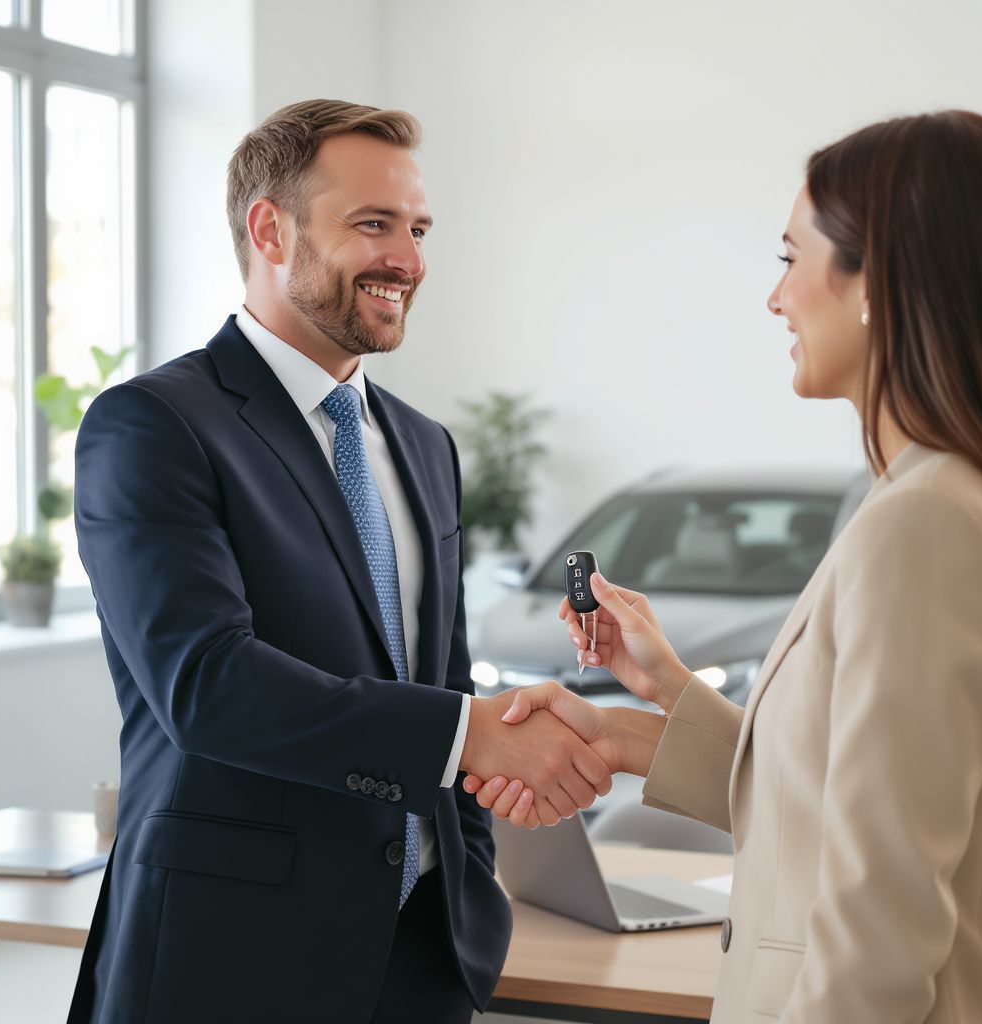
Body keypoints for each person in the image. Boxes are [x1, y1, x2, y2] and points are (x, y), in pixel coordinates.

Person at [66, 99, 611, 1024]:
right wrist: (470, 735)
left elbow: (439, 675)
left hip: (422, 957)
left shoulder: (425, 446)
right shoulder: (155, 426)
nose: (409, 259)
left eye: (418, 228)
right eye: (373, 224)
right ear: (269, 229)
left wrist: (467, 879)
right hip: (230, 963)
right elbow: (206, 684)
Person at [466, 110, 982, 1023]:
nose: (775, 299)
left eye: (791, 259)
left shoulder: (924, 523)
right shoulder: (926, 501)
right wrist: (637, 721)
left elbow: (882, 913)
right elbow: (830, 802)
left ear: (881, 281)